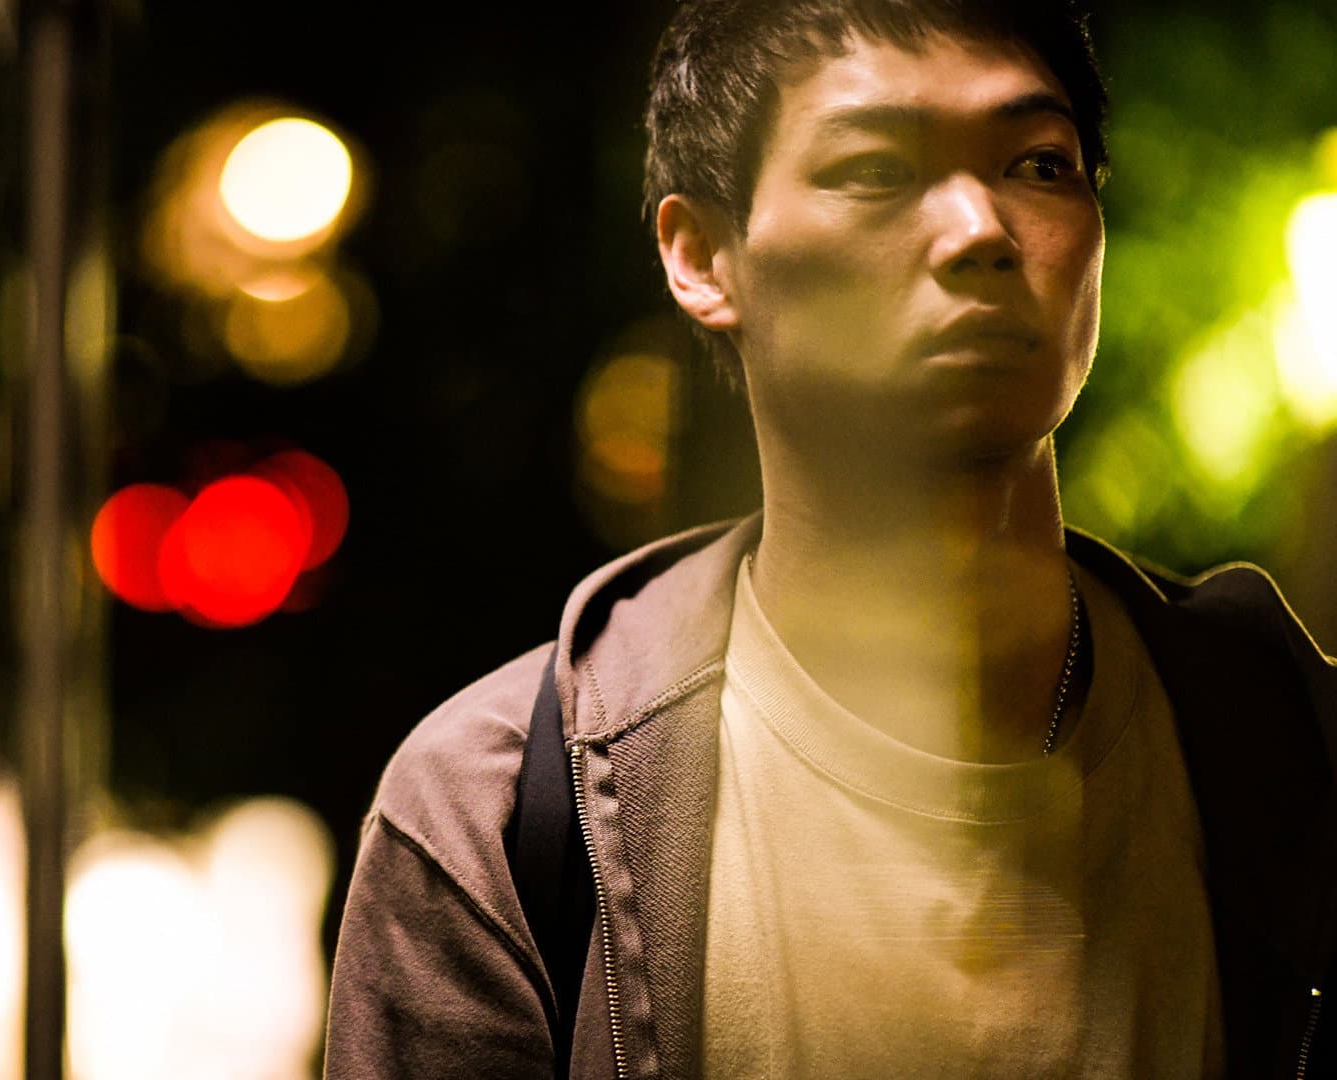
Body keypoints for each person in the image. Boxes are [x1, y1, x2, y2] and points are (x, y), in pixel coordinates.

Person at [321, 1, 1337, 1077]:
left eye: (1039, 165)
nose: (982, 231)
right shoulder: (501, 813)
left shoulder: (1291, 753)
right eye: (874, 171)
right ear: (703, 257)